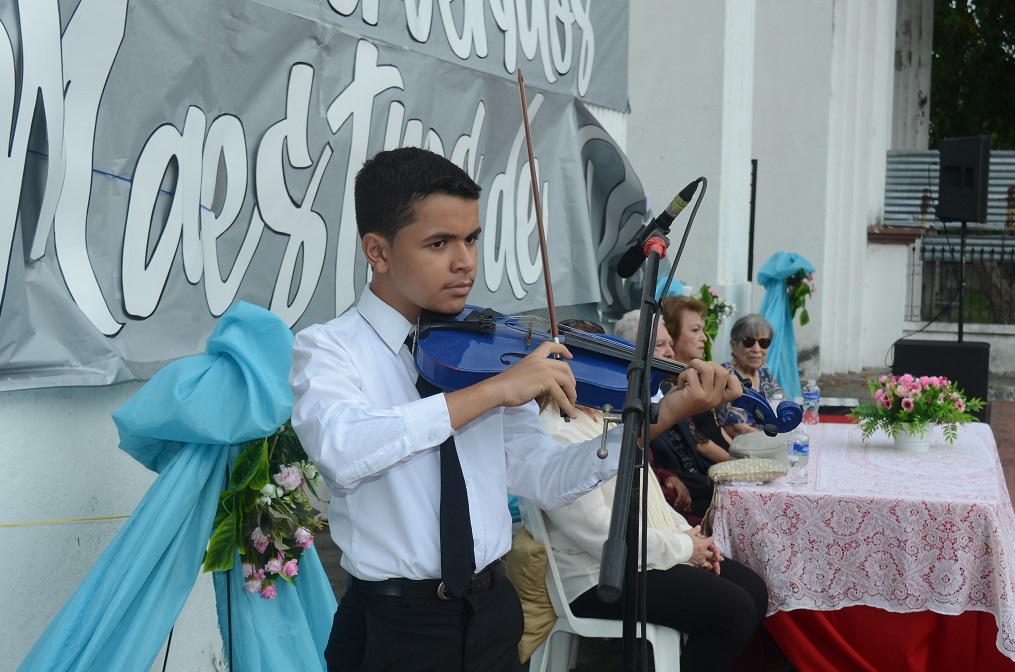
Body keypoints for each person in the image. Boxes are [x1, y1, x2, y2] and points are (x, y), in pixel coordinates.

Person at [289, 147, 742, 672]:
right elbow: (345, 452)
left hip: (491, 613)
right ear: (378, 252)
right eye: (439, 243)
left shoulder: (483, 348)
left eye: (471, 239)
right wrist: (494, 391)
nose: (465, 262)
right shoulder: (328, 348)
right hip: (395, 626)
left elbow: (544, 478)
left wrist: (656, 418)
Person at [536, 397, 769, 672]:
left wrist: (686, 534)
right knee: (735, 612)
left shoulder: (602, 416)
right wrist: (684, 549)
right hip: (597, 575)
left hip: (642, 553)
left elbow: (650, 494)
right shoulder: (555, 431)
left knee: (754, 589)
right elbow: (599, 534)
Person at [717, 314, 785, 437]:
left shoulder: (764, 372)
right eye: (749, 342)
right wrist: (774, 439)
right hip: (744, 446)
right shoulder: (726, 375)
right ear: (734, 345)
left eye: (764, 343)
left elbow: (781, 402)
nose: (757, 349)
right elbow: (737, 428)